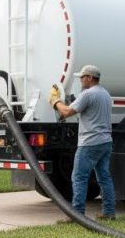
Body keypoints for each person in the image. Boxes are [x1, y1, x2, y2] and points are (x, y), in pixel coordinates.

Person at [48, 65, 117, 220]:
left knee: (79, 177)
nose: (80, 80)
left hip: (89, 143)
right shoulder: (105, 94)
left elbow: (66, 112)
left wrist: (55, 100)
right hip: (105, 142)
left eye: (82, 77)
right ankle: (109, 212)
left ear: (90, 78)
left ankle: (77, 214)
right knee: (104, 178)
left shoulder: (88, 94)